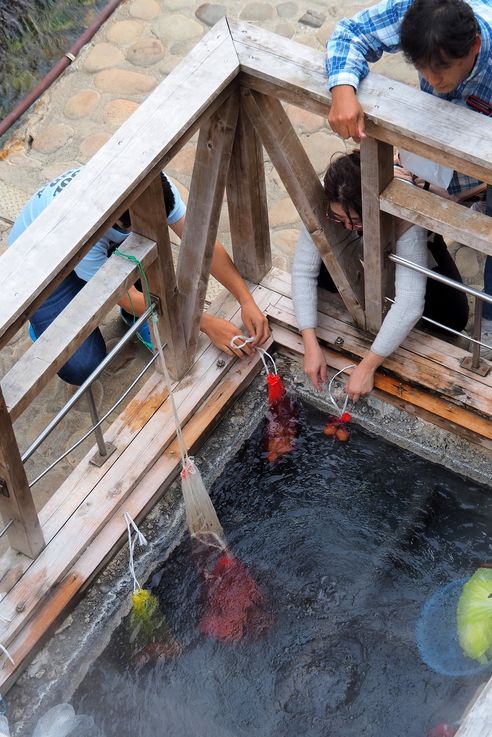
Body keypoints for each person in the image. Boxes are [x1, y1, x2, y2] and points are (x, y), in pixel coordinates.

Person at [325, 0, 492, 350]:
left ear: (475, 45)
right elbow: (351, 32)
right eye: (421, 67)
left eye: (443, 68)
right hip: (437, 167)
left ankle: (489, 320)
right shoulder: (420, 16)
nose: (432, 79)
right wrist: (342, 88)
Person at [8, 168, 270, 385]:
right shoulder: (81, 228)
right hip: (45, 273)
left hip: (97, 248)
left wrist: (245, 299)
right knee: (83, 366)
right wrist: (204, 322)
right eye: (136, 227)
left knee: (145, 251)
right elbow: (123, 297)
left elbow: (203, 244)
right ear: (116, 222)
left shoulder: (151, 183)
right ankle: (43, 324)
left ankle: (138, 313)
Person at [292, 151, 469, 400]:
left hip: (405, 243)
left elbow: (409, 303)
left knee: (453, 319)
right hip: (356, 253)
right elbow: (303, 269)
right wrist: (309, 343)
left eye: (355, 221)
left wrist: (368, 365)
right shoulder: (328, 196)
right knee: (322, 273)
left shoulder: (404, 211)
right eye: (338, 218)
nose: (347, 227)